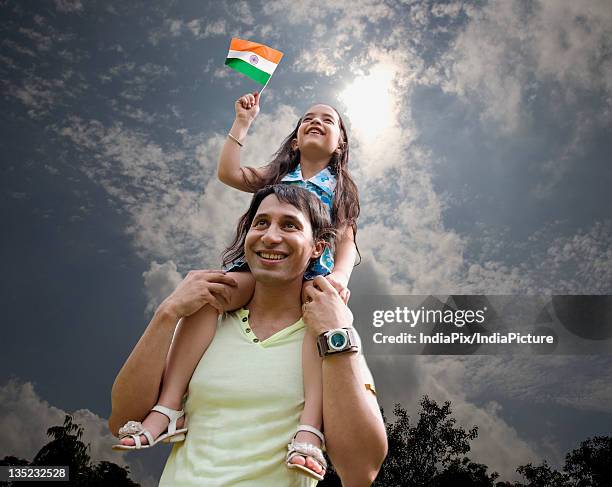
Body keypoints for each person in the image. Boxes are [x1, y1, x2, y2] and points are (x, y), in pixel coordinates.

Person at [113, 91, 361, 481]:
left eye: (328, 120)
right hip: (258, 268)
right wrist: (242, 123)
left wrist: (339, 278)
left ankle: (310, 429)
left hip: (313, 275)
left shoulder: (341, 188)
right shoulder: (279, 175)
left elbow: (347, 242)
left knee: (320, 323)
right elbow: (229, 173)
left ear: (340, 144)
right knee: (210, 292)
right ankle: (169, 407)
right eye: (308, 117)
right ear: (295, 139)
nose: (316, 121)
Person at [109, 185, 387, 486]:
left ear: (317, 248)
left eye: (290, 225)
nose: (270, 236)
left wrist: (336, 333)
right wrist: (167, 313)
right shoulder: (207, 323)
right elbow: (123, 421)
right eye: (261, 223)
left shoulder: (331, 338)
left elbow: (360, 472)